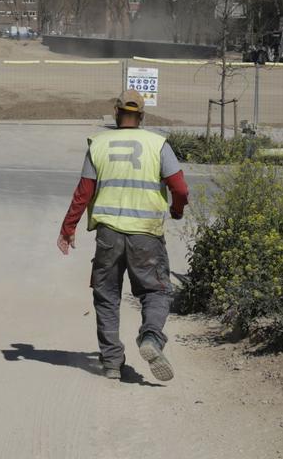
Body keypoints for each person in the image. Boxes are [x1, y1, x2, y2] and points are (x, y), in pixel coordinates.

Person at [57, 89, 189, 381]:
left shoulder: (98, 144)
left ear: (116, 113)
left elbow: (83, 193)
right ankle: (152, 338)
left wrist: (68, 228)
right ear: (141, 116)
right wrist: (176, 210)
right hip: (146, 237)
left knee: (106, 296)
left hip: (109, 235)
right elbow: (180, 188)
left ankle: (112, 362)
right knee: (156, 291)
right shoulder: (158, 144)